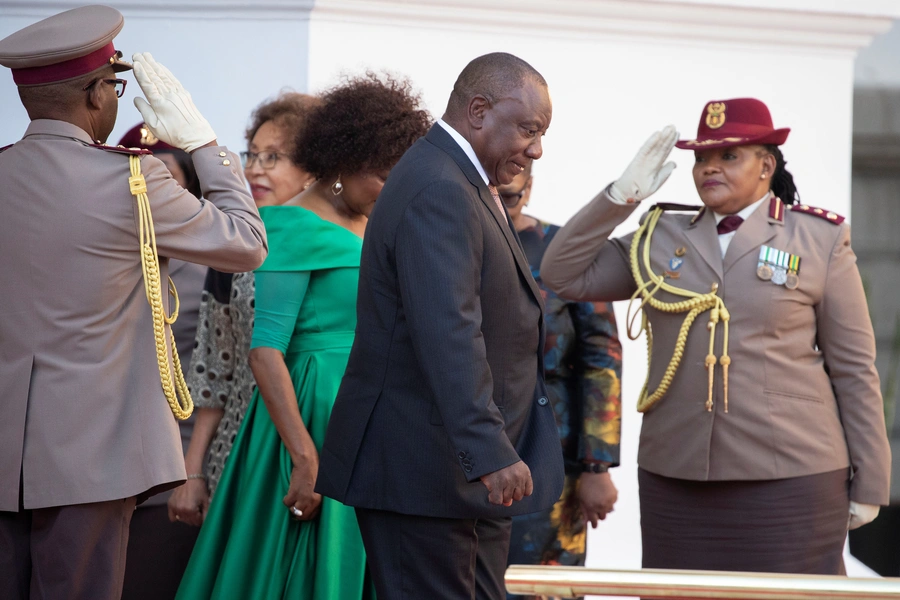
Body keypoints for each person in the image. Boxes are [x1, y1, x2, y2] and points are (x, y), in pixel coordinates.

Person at [541, 98, 891, 575]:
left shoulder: (819, 239)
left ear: (766, 165)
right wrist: (620, 198)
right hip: (679, 476)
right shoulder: (658, 235)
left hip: (793, 474)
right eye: (701, 158)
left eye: (729, 156)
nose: (709, 168)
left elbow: (854, 368)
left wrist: (871, 480)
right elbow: (562, 273)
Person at [0, 6, 267, 600]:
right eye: (114, 88)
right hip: (94, 459)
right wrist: (204, 144)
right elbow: (247, 243)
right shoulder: (133, 182)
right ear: (97, 94)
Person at [316, 52, 565, 600]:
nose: (536, 147)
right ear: (479, 110)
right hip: (427, 475)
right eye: (529, 128)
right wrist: (491, 450)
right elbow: (448, 331)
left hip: (454, 480)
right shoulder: (440, 187)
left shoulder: (456, 179)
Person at [176, 72, 431, 600]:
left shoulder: (370, 219)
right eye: (385, 176)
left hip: (367, 415)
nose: (393, 189)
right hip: (311, 416)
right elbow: (265, 351)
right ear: (346, 161)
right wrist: (307, 458)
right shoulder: (290, 226)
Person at [168, 92, 319, 527]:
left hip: (317, 437)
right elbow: (216, 369)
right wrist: (192, 470)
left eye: (273, 157)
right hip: (241, 443)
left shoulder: (340, 248)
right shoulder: (233, 248)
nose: (254, 168)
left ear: (313, 168)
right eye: (251, 154)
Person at [497, 165, 622, 592]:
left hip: (552, 457)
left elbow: (602, 358)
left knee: (545, 585)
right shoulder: (449, 246)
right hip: (461, 452)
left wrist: (597, 465)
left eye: (509, 196)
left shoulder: (562, 251)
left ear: (529, 187)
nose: (497, 206)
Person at [114, 123, 208, 600]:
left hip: (176, 470)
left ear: (189, 184)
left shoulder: (219, 262)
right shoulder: (103, 256)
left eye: (162, 177)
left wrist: (196, 473)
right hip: (103, 469)